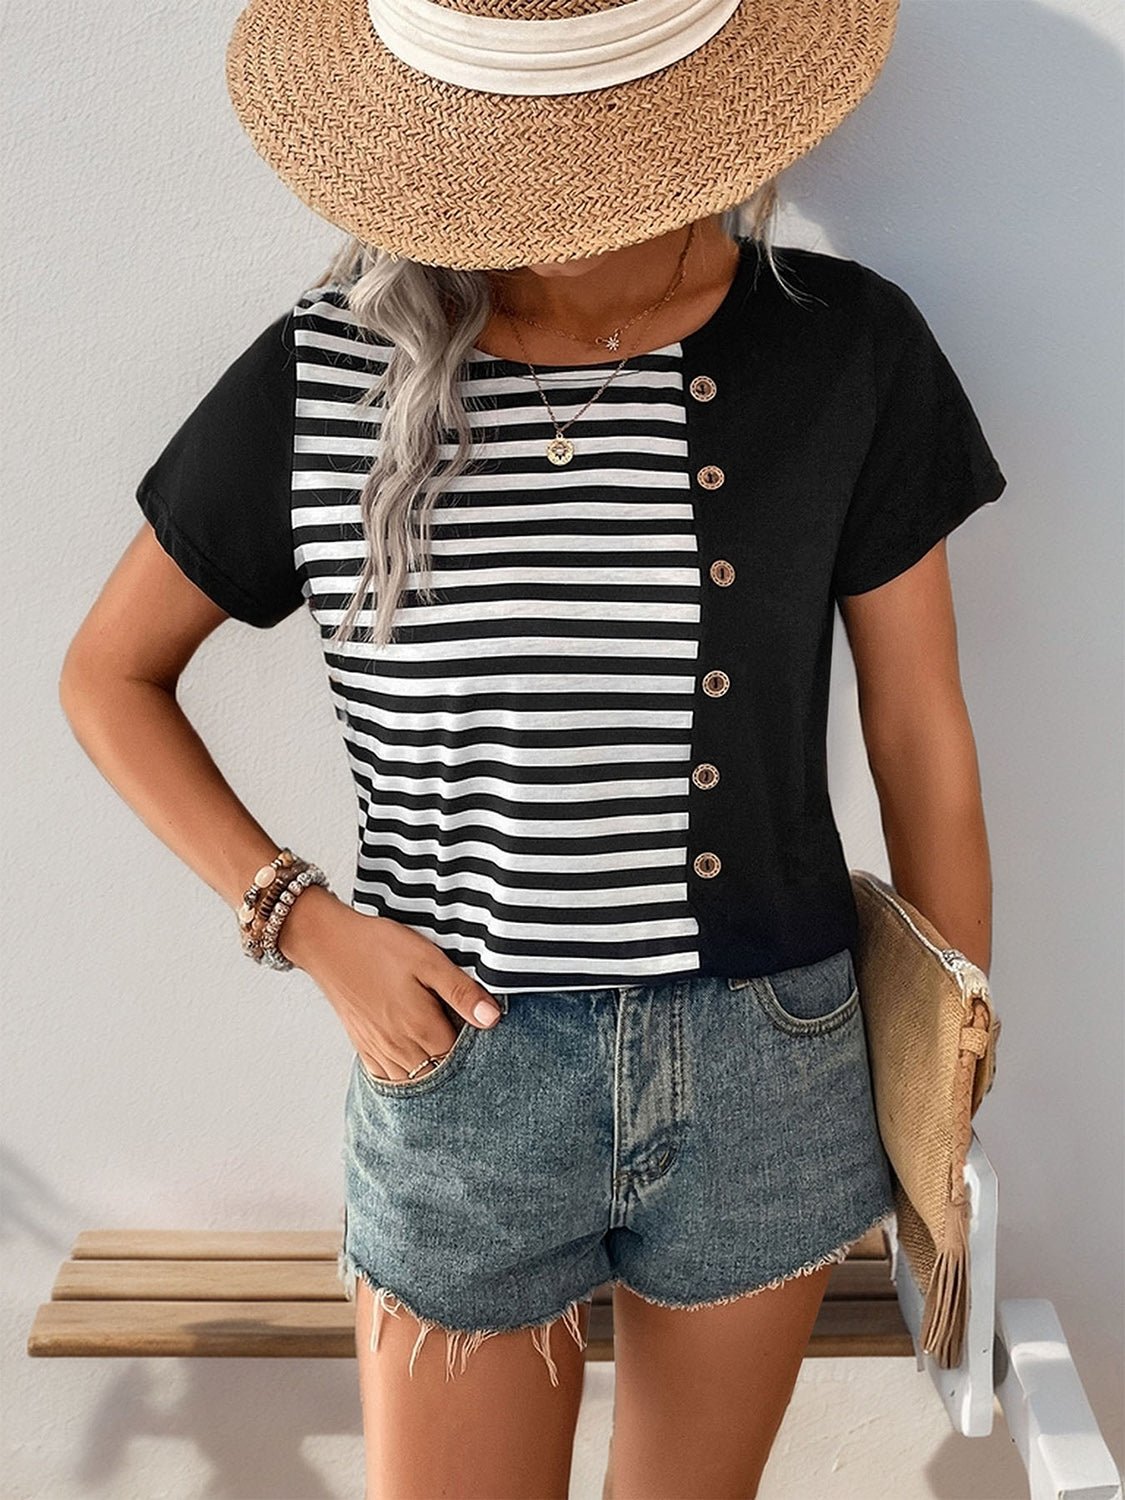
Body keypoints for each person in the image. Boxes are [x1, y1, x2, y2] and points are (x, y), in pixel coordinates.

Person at [58, 0, 1008, 1494]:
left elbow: (918, 725)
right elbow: (109, 676)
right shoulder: (331, 370)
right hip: (461, 1069)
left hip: (769, 1064)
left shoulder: (842, 348)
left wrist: (953, 1052)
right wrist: (304, 923)